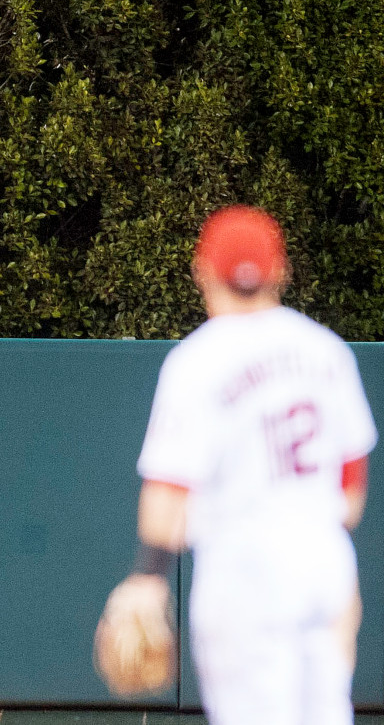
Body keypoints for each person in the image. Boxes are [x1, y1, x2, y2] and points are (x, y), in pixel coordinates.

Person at [113, 205, 376, 725]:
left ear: (202, 272)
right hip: (325, 561)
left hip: (244, 569)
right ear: (281, 271)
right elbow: (351, 497)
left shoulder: (198, 362)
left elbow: (167, 498)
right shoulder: (327, 352)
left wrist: (146, 578)